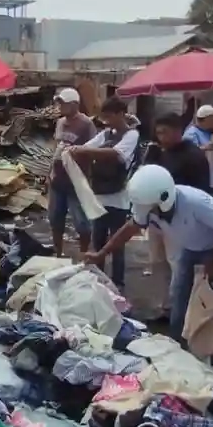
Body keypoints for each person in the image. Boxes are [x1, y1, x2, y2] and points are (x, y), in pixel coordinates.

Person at [84, 164, 213, 365]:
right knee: (179, 298)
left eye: (151, 208)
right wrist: (102, 253)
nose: (148, 212)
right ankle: (177, 350)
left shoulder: (195, 203)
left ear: (164, 199)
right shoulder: (149, 205)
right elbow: (130, 229)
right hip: (190, 249)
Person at [68, 96, 140, 290]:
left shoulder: (131, 135)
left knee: (117, 244)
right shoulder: (106, 134)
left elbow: (117, 154)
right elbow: (88, 147)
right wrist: (76, 150)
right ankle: (99, 281)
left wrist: (84, 151)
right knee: (98, 242)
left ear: (121, 114)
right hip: (99, 197)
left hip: (119, 199)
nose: (106, 121)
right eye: (104, 117)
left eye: (109, 116)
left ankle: (118, 284)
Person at [48, 87, 97, 257]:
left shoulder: (86, 124)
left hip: (76, 181)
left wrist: (77, 153)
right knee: (55, 219)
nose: (60, 106)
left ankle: (84, 255)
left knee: (81, 222)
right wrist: (50, 172)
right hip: (58, 180)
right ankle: (58, 254)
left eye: (64, 103)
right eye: (59, 103)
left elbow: (94, 150)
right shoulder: (60, 123)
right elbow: (56, 148)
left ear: (75, 104)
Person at [145, 112, 212, 192]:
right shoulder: (158, 153)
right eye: (159, 133)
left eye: (165, 132)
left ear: (178, 131)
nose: (162, 138)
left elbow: (202, 191)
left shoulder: (194, 156)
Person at [182, 104, 213, 192]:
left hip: (208, 173)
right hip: (197, 175)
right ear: (205, 119)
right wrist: (206, 147)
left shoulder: (207, 132)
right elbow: (188, 153)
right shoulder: (191, 133)